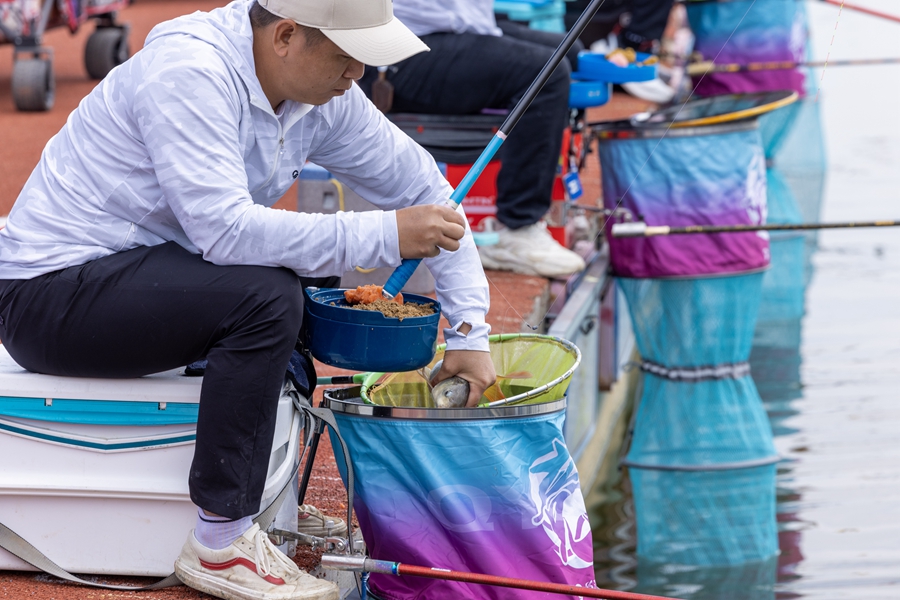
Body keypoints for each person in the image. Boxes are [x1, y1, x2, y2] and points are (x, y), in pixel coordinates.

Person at [0, 0, 496, 598]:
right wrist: (386, 233)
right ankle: (220, 544)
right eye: (347, 58)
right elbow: (225, 232)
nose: (358, 76)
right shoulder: (189, 70)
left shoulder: (320, 92)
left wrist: (471, 333)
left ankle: (266, 502)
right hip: (46, 298)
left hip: (138, 277)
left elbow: (428, 190)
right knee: (266, 296)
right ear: (287, 35)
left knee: (293, 281)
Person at [358, 0, 587, 280]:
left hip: (455, 25)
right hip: (401, 50)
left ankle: (556, 200)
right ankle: (517, 228)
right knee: (548, 72)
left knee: (572, 49)